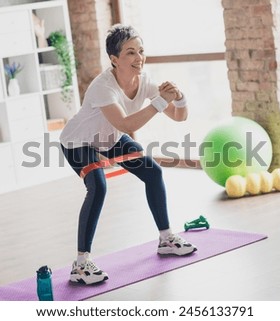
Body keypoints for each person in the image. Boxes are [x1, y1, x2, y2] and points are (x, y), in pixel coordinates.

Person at [60, 24, 196, 285]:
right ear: (114, 59)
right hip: (78, 142)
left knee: (153, 172)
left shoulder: (144, 81)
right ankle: (80, 265)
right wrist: (160, 101)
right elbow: (127, 125)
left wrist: (179, 97)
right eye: (130, 53)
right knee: (97, 187)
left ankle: (166, 239)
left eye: (141, 51)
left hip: (109, 138)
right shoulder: (103, 87)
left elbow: (180, 116)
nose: (139, 58)